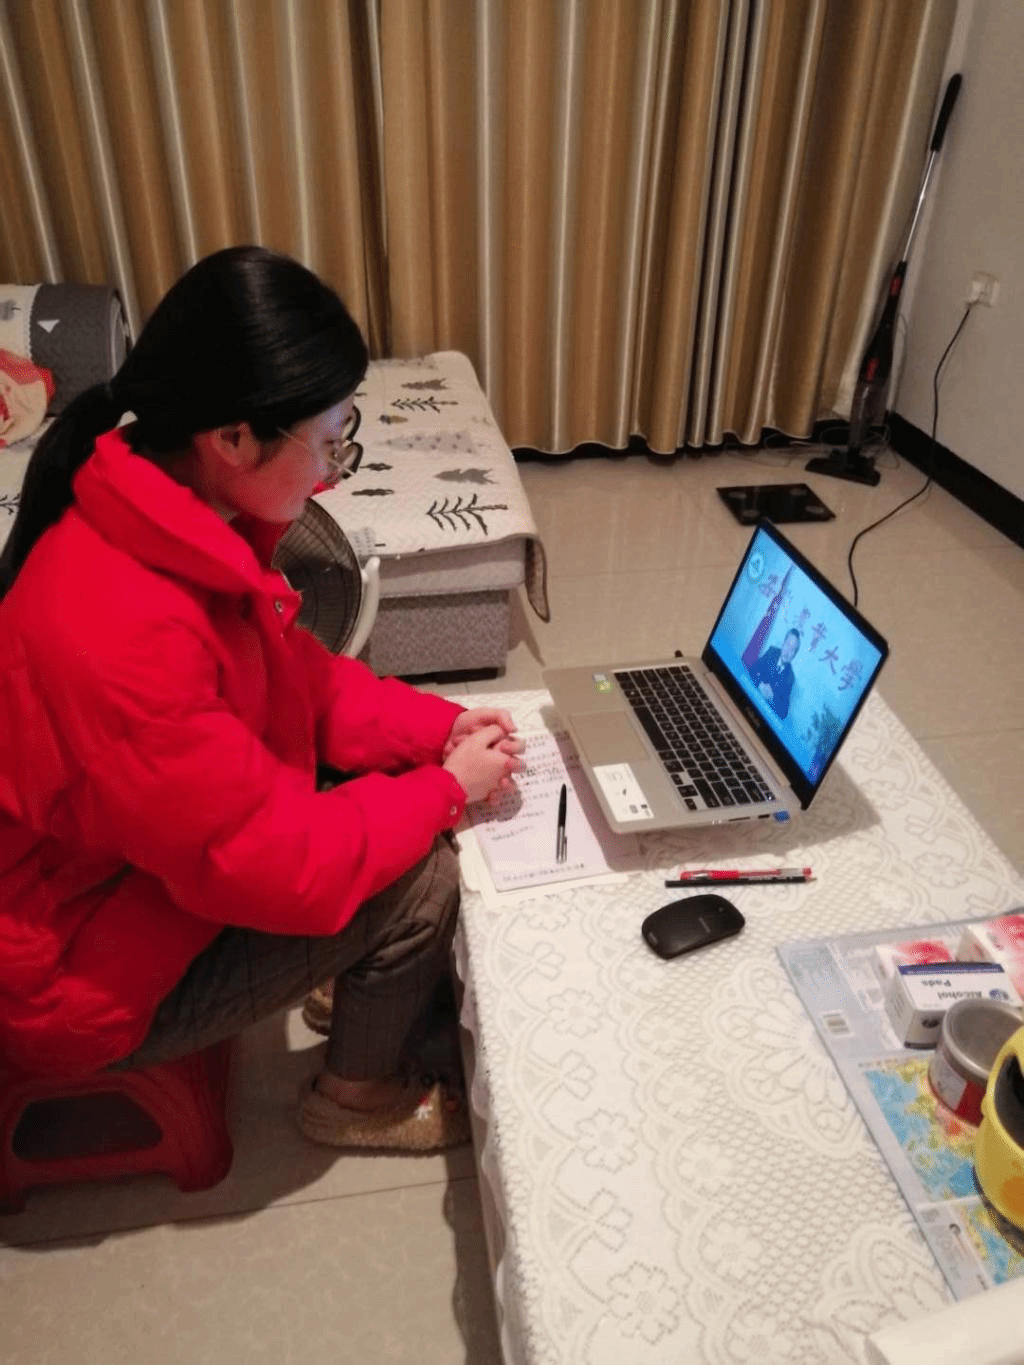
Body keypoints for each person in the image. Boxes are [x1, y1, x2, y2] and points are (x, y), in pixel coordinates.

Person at [0, 246, 525, 1153]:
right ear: (234, 438)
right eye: (327, 442)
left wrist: (439, 726)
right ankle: (355, 1096)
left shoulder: (172, 517)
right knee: (423, 874)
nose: (331, 471)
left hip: (121, 877)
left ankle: (334, 982)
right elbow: (283, 865)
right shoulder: (123, 634)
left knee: (370, 791)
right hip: (65, 979)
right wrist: (445, 789)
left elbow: (298, 682)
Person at [748, 628, 800, 719]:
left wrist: (772, 697)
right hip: (750, 697)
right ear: (783, 643)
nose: (787, 652)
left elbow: (783, 712)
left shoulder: (790, 677)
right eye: (787, 645)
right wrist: (760, 684)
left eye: (792, 650)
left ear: (794, 655)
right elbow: (752, 669)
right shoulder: (772, 652)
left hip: (762, 713)